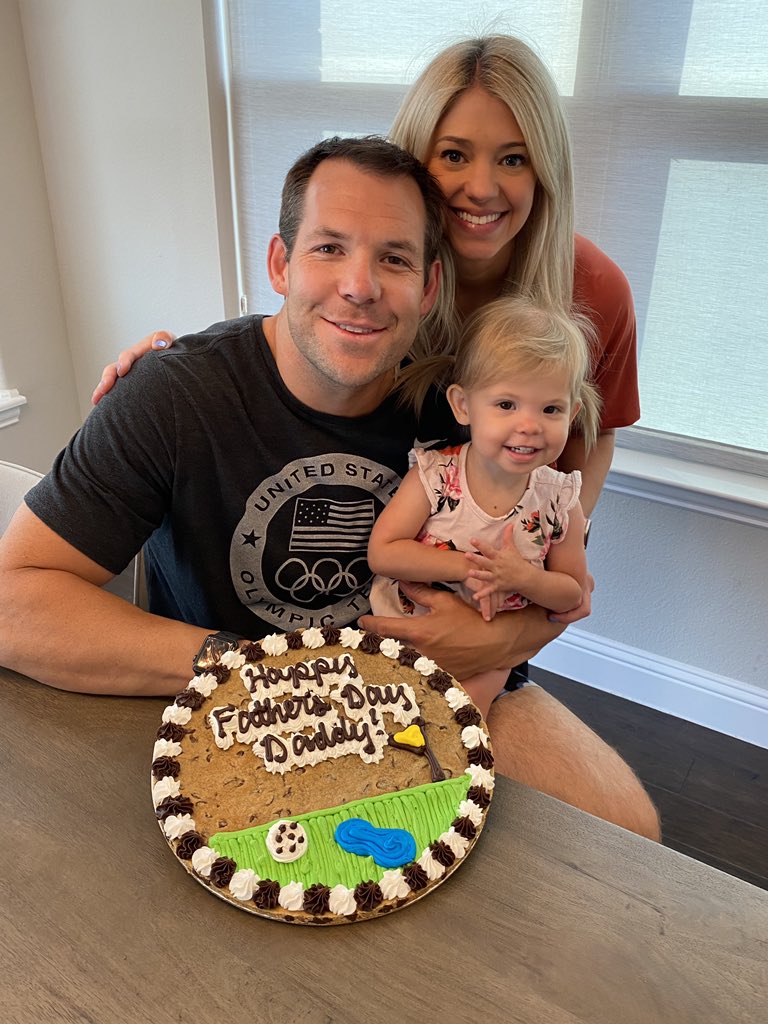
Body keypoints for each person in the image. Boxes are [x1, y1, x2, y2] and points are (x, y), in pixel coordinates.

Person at [0, 135, 659, 839]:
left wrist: (492, 640)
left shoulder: (463, 413)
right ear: (280, 263)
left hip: (432, 688)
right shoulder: (173, 397)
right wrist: (250, 666)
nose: (360, 285)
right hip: (242, 706)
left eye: (394, 258)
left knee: (627, 832)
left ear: (430, 286)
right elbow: (15, 604)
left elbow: (551, 572)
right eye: (329, 248)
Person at [93, 34, 639, 520]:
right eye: (453, 154)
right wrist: (169, 370)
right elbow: (297, 350)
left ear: (547, 170)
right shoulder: (368, 282)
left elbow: (594, 429)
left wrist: (556, 544)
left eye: (514, 160)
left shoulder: (594, 290)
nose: (481, 187)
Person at [368, 297, 598, 720]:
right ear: (463, 405)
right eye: (507, 405)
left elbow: (570, 592)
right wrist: (467, 567)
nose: (529, 425)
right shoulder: (434, 475)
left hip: (491, 651)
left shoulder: (559, 499)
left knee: (459, 726)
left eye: (551, 409)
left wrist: (522, 578)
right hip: (404, 633)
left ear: (574, 413)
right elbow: (383, 551)